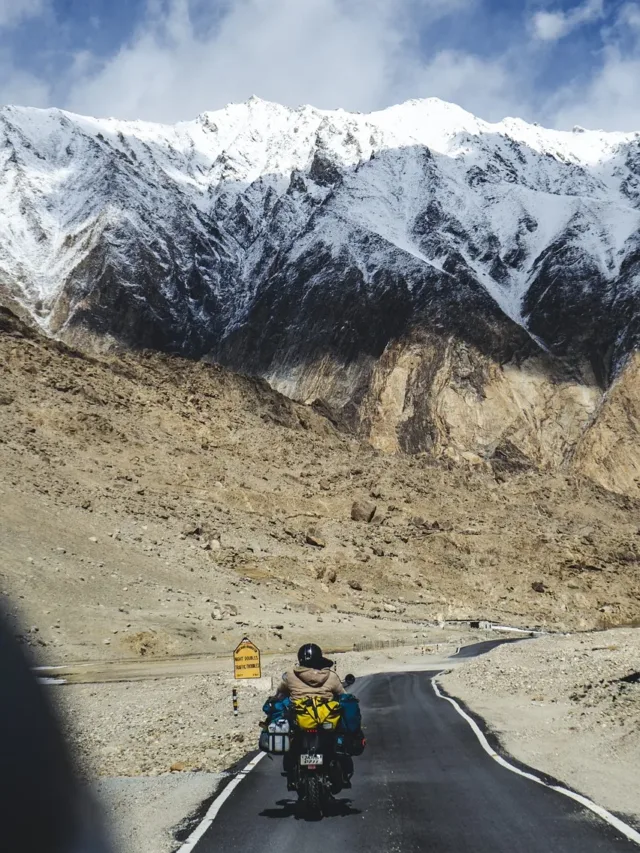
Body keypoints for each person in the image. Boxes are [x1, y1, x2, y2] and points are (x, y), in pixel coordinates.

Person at [275, 643, 345, 701]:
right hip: (327, 716)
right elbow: (343, 695)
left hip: (299, 715)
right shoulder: (331, 676)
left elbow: (279, 692)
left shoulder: (290, 675)